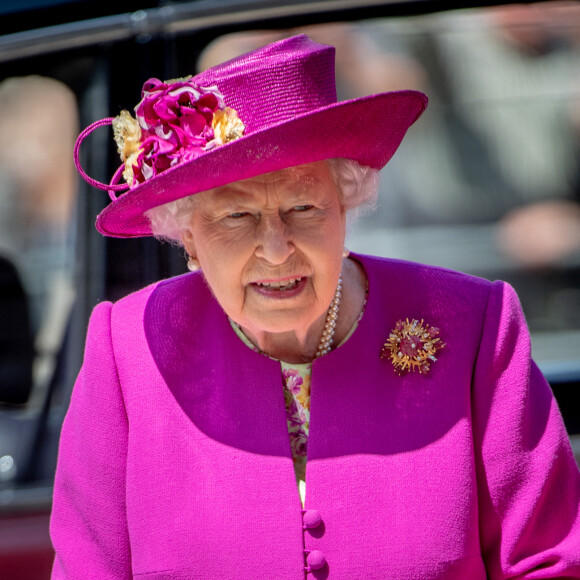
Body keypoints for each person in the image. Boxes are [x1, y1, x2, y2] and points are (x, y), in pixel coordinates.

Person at [50, 34, 580, 579]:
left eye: (304, 206)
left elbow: (550, 563)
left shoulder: (474, 329)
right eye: (237, 217)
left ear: (345, 204)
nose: (277, 249)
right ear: (187, 233)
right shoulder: (128, 349)